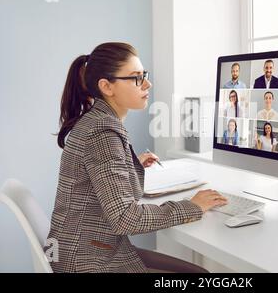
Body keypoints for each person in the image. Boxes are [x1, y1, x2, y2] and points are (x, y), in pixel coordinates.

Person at [46, 42, 228, 273]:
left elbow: (96, 176)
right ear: (107, 87)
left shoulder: (95, 121)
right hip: (88, 261)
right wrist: (192, 206)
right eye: (136, 78)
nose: (147, 83)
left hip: (75, 248)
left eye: (144, 75)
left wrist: (130, 164)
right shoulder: (102, 132)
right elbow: (125, 218)